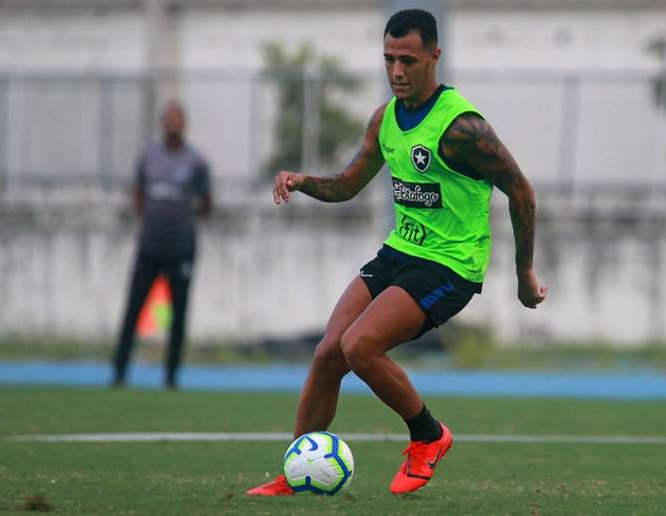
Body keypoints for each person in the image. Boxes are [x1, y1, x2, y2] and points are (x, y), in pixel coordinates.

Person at [247, 9, 546, 496]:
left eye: (407, 60)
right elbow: (348, 185)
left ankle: (429, 436)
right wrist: (302, 182)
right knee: (328, 354)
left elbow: (522, 192)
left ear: (435, 56)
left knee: (359, 346)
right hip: (400, 252)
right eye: (388, 60)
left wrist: (524, 273)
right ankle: (296, 470)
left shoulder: (462, 127)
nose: (397, 72)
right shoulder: (385, 119)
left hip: (450, 263)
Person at [112, 100, 212, 390]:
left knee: (178, 315)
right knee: (133, 309)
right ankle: (119, 372)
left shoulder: (196, 161)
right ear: (161, 123)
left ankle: (171, 376)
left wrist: (183, 221)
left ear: (184, 124)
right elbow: (139, 194)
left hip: (181, 248)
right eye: (167, 118)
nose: (172, 123)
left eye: (176, 119)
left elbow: (206, 202)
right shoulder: (148, 157)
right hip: (150, 246)